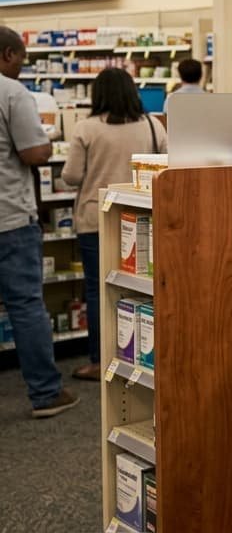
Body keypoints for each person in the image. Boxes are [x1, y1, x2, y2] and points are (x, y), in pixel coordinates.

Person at [62, 68, 168, 380]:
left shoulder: (87, 128)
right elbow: (168, 166)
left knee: (98, 291)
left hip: (96, 219)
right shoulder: (152, 125)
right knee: (145, 289)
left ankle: (100, 361)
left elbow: (70, 176)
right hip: (144, 218)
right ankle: (144, 354)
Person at [0, 26, 79, 417]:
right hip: (10, 218)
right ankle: (46, 394)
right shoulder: (12, 92)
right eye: (21, 58)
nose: (22, 65)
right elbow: (33, 153)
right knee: (26, 305)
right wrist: (47, 143)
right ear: (8, 54)